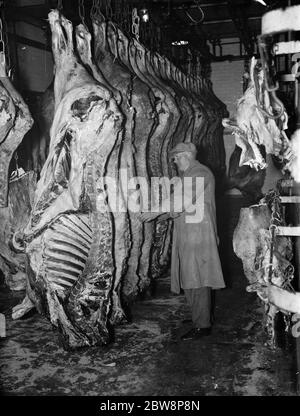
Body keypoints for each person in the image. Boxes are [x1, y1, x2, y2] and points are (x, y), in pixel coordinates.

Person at [140, 142, 225, 340]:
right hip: (188, 232)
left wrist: (154, 212)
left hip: (198, 233)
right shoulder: (187, 176)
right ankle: (199, 316)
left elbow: (181, 200)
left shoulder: (200, 173)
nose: (174, 161)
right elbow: (175, 201)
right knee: (190, 275)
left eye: (176, 157)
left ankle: (202, 325)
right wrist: (156, 214)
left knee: (198, 277)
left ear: (187, 155)